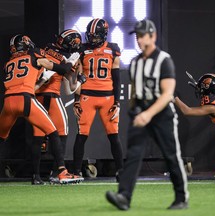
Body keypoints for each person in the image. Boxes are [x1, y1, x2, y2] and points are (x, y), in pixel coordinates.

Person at [105, 19, 189, 211]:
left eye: (142, 35)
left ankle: (181, 197)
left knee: (171, 155)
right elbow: (136, 90)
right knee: (133, 154)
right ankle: (124, 197)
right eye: (137, 36)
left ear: (153, 36)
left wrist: (148, 114)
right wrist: (134, 110)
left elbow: (167, 93)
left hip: (161, 113)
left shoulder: (163, 60)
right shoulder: (135, 62)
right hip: (141, 111)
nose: (139, 40)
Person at [0, 34, 84, 184]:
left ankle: (37, 176)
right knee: (53, 132)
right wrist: (70, 62)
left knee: (1, 138)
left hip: (7, 102)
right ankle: (62, 172)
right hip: (26, 99)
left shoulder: (9, 63)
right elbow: (62, 69)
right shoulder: (35, 54)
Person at [31, 29, 86, 185]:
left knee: (37, 136)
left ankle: (35, 176)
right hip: (51, 95)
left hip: (36, 95)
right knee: (62, 132)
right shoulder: (67, 58)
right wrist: (80, 77)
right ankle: (58, 172)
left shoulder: (46, 48)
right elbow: (71, 88)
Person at [72, 18, 124, 181]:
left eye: (95, 36)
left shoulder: (113, 49)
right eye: (90, 36)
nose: (91, 39)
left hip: (108, 97)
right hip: (87, 96)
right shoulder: (82, 50)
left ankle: (121, 171)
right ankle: (75, 171)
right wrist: (76, 99)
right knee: (81, 135)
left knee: (113, 135)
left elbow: (116, 78)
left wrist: (117, 102)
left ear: (103, 35)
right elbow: (79, 78)